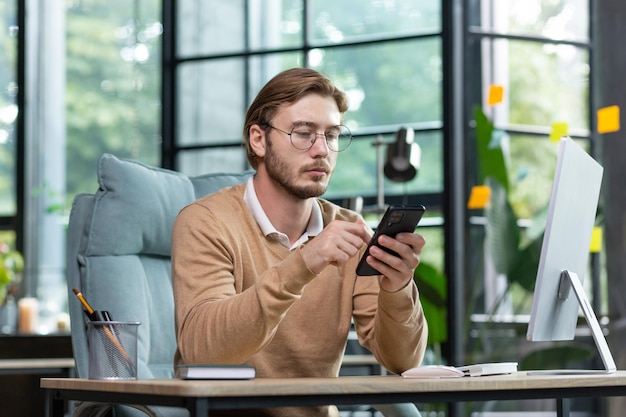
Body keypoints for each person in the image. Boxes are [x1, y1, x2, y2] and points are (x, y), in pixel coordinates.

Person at [171, 67, 428, 417]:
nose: (321, 150)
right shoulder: (205, 222)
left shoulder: (348, 229)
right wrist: (305, 263)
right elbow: (203, 350)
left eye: (332, 135)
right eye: (303, 133)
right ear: (259, 140)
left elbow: (403, 360)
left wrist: (398, 289)